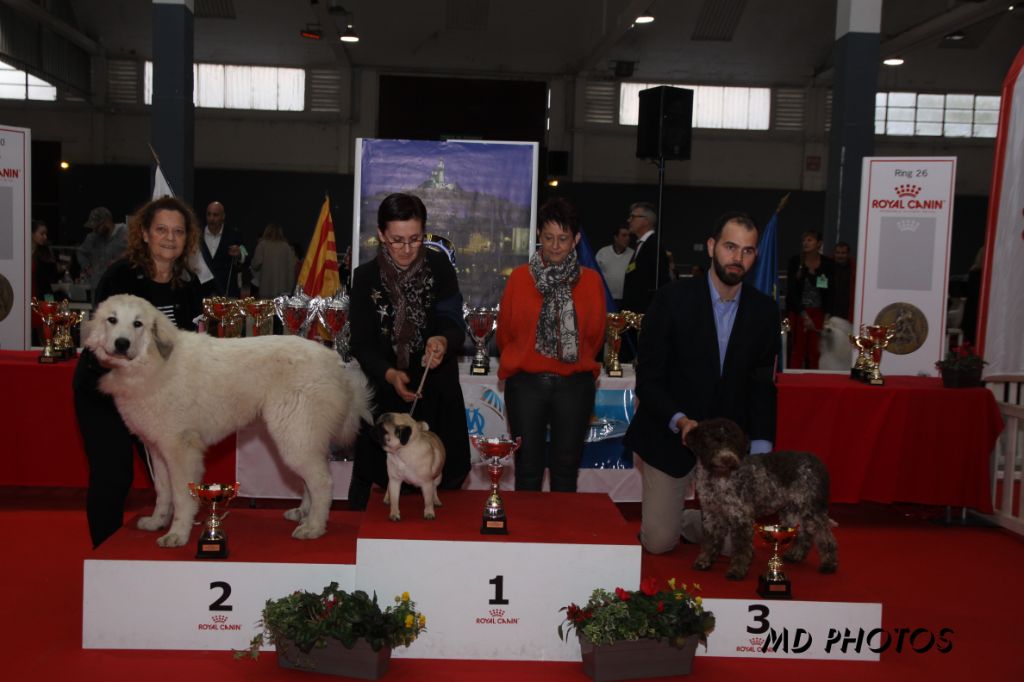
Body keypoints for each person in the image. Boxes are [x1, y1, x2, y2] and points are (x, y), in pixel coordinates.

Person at [624, 211, 779, 554]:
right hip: (670, 434)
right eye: (730, 246)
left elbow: (762, 387)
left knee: (729, 546)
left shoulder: (765, 312)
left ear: (755, 256)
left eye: (748, 251)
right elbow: (648, 381)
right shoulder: (670, 299)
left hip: (727, 447)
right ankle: (669, 520)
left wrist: (761, 453)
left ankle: (703, 521)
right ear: (711, 247)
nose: (737, 258)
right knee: (660, 543)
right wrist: (680, 421)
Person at [72, 196, 203, 548]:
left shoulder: (189, 283)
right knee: (114, 475)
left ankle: (168, 526)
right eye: (161, 229)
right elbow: (95, 337)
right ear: (144, 233)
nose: (170, 238)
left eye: (178, 231)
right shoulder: (119, 277)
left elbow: (191, 345)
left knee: (170, 467)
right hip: (106, 392)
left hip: (157, 397)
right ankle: (105, 552)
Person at [347, 193, 470, 510]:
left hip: (436, 385)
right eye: (397, 240)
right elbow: (361, 342)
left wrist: (441, 340)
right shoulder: (365, 278)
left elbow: (453, 320)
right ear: (381, 235)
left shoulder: (440, 267)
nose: (406, 249)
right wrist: (389, 374)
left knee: (445, 482)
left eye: (415, 240)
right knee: (380, 478)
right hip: (387, 388)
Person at [496, 198, 606, 492]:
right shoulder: (519, 279)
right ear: (538, 237)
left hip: (575, 385)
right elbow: (505, 333)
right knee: (527, 471)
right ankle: (527, 537)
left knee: (566, 471)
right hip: (525, 385)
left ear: (576, 240)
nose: (555, 246)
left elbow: (595, 337)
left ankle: (562, 536)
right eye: (548, 238)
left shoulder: (592, 282)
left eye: (563, 238)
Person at [785, 230, 834, 369]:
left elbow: (831, 292)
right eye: (804, 240)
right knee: (798, 350)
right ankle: (794, 382)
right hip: (799, 312)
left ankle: (815, 380)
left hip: (819, 312)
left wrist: (827, 315)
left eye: (810, 240)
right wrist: (803, 314)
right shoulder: (795, 261)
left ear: (819, 243)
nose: (805, 243)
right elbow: (792, 291)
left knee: (815, 350)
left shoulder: (827, 263)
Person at [621, 201, 671, 316]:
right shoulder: (641, 245)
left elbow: (661, 282)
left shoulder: (654, 246)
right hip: (635, 314)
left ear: (645, 220)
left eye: (633, 217)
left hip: (645, 314)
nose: (629, 220)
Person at [196, 201, 246, 297]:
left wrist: (240, 253)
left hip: (227, 291)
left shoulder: (234, 234)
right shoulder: (197, 235)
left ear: (223, 216)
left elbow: (246, 255)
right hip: (202, 292)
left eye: (215, 215)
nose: (211, 218)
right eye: (209, 214)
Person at [77, 207, 128, 294]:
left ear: (107, 222)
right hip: (98, 286)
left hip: (120, 286)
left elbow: (137, 251)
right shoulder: (92, 238)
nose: (94, 230)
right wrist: (87, 267)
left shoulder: (125, 233)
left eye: (97, 227)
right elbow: (81, 252)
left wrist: (121, 259)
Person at [249, 223, 298, 299]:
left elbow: (256, 264)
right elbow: (292, 268)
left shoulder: (262, 245)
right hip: (283, 291)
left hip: (266, 289)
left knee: (266, 310)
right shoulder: (286, 247)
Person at [595, 224, 633, 307]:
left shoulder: (633, 254)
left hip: (625, 300)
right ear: (616, 237)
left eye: (629, 236)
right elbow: (595, 273)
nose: (627, 238)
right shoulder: (603, 253)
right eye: (624, 235)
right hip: (606, 298)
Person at [829, 241, 854, 321]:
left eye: (843, 253)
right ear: (834, 253)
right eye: (837, 252)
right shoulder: (826, 267)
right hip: (830, 310)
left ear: (848, 254)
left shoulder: (854, 269)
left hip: (847, 310)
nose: (840, 255)